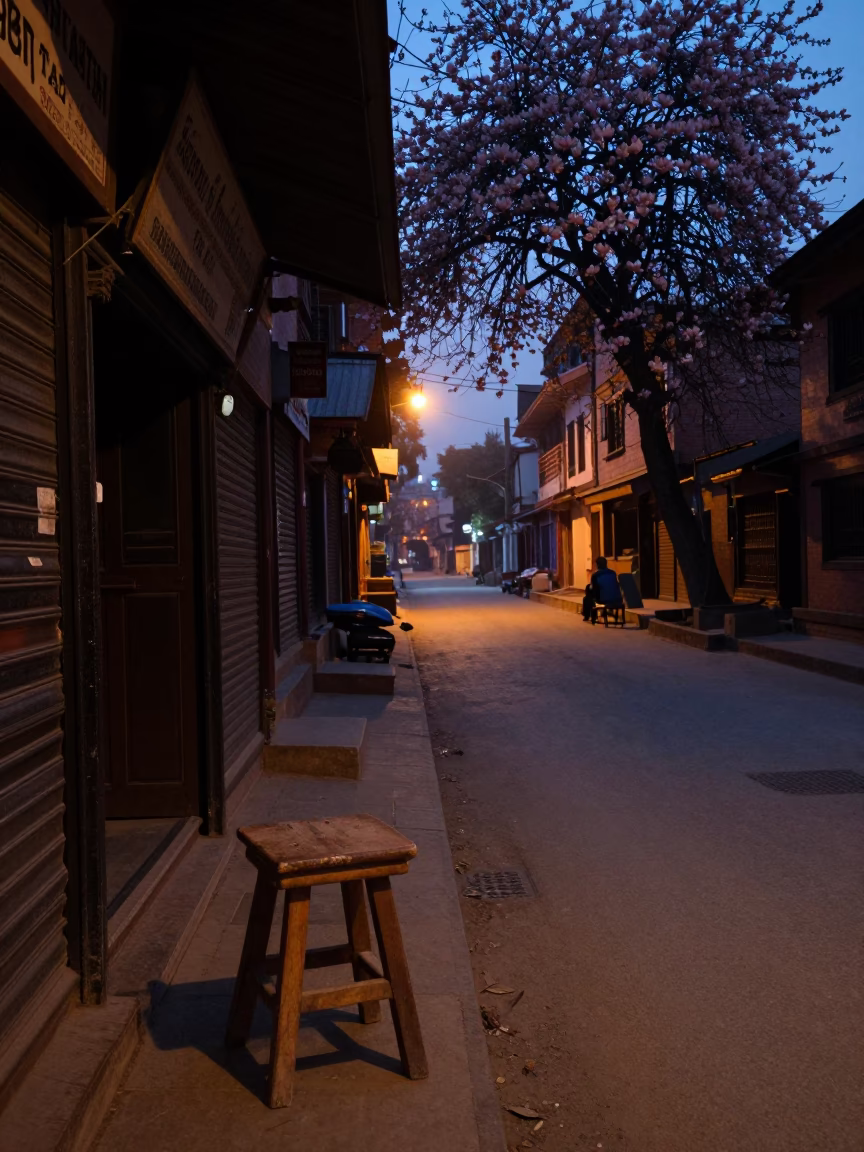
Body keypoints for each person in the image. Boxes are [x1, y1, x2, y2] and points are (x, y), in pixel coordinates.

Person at [582, 556, 623, 623]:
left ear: (597, 565)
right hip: (617, 598)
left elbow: (593, 588)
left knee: (587, 595)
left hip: (603, 599)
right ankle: (597, 613)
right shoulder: (613, 573)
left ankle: (588, 615)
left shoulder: (596, 575)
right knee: (590, 592)